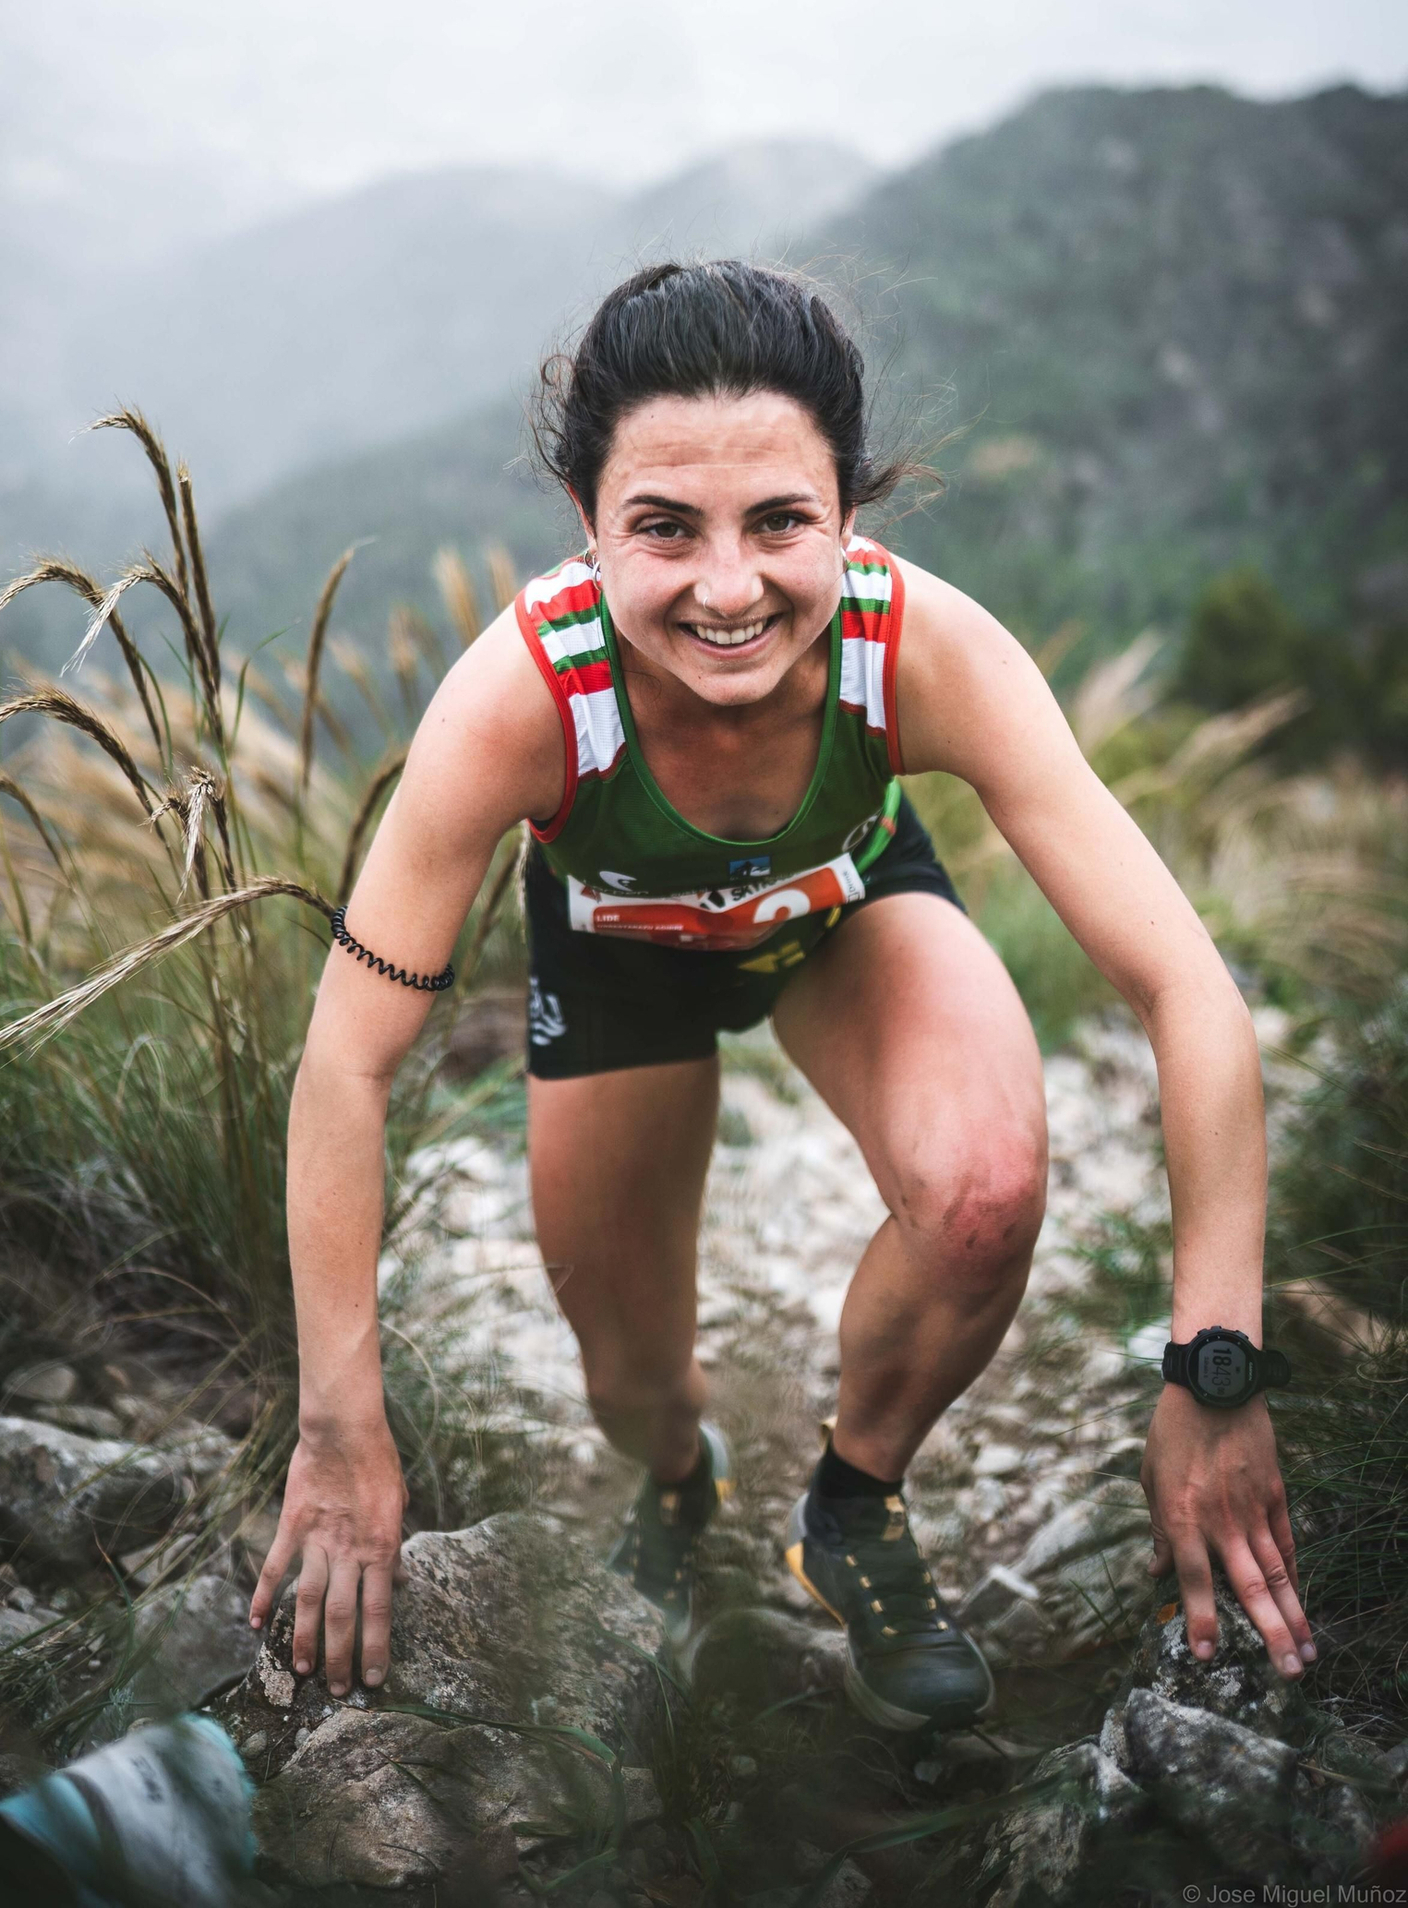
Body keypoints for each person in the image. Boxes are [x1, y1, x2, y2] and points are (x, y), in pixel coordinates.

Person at [251, 261, 1313, 1733]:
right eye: (665, 529)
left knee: (987, 1192)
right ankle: (682, 1481)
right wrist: (338, 1425)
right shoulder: (521, 703)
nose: (730, 588)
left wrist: (1214, 1365)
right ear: (586, 528)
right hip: (617, 950)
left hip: (840, 908)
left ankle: (854, 1507)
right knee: (628, 1378)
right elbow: (345, 1065)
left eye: (781, 523)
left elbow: (1184, 985)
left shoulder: (923, 652)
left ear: (851, 516)